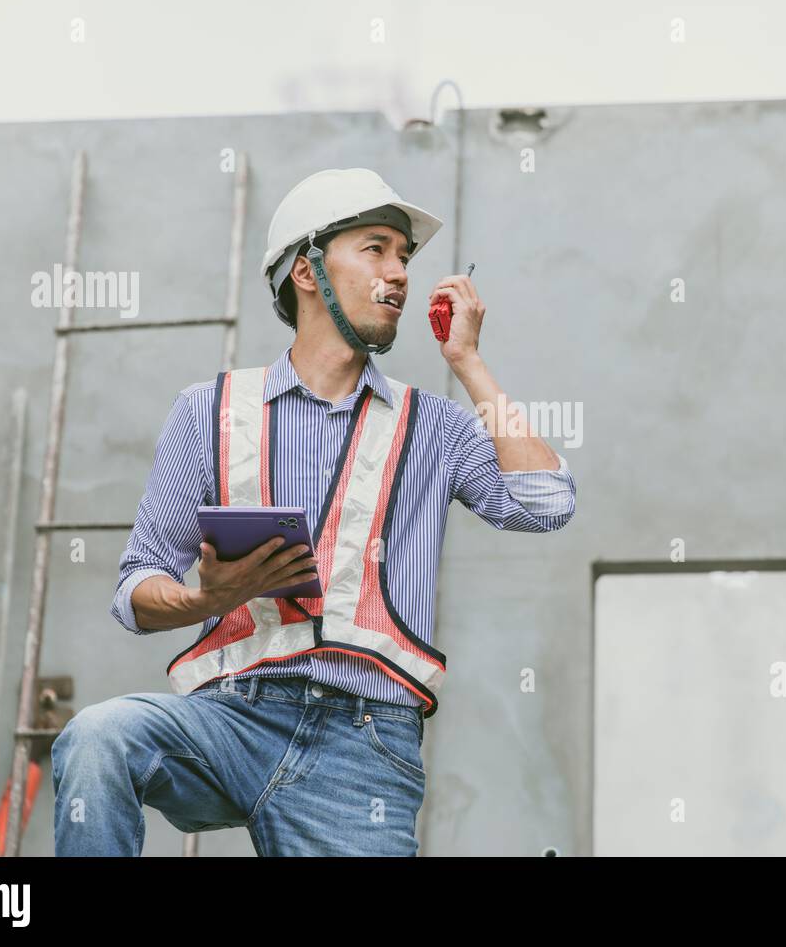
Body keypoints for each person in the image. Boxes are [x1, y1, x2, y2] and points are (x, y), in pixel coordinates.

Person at [51, 168, 576, 856]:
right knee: (98, 736)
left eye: (404, 256)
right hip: (226, 720)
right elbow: (133, 591)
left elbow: (546, 504)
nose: (398, 273)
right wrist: (203, 596)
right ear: (306, 270)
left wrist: (469, 362)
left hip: (362, 746)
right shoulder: (206, 411)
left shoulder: (436, 427)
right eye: (376, 248)